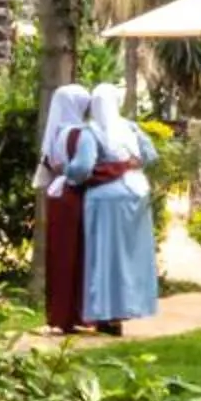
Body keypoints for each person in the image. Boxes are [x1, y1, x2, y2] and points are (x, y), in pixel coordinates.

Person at [69, 82, 160, 335]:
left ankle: (105, 314)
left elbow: (82, 167)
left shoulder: (91, 131)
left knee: (105, 257)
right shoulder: (131, 127)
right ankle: (128, 307)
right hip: (138, 193)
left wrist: (64, 173)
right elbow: (151, 155)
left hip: (104, 200)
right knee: (131, 257)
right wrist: (130, 163)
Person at [35, 83, 93, 333]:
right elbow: (82, 169)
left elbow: (51, 164)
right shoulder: (82, 134)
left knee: (58, 255)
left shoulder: (56, 135)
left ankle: (58, 314)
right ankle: (75, 313)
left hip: (56, 196)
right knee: (76, 255)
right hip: (75, 196)